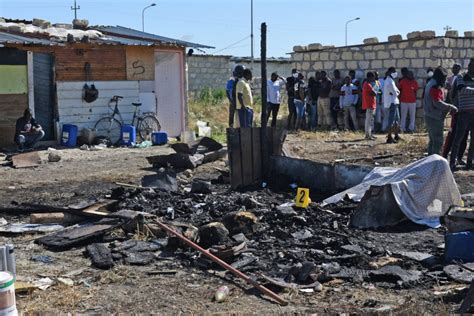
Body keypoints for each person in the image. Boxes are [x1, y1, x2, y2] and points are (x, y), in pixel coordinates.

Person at [423, 67, 458, 156]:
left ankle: (430, 160)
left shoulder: (431, 82)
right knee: (438, 141)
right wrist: (451, 107)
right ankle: (435, 162)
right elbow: (437, 103)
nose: (445, 79)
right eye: (444, 77)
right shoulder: (435, 86)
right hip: (435, 117)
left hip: (429, 115)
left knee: (433, 141)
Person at [450, 58, 474, 170]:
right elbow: (461, 90)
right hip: (464, 113)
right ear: (469, 66)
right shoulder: (461, 77)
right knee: (458, 139)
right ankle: (452, 162)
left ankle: (470, 161)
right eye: (471, 65)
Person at [443, 64, 468, 162]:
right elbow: (452, 95)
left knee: (464, 136)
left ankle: (459, 158)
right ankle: (445, 156)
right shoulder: (459, 79)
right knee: (453, 134)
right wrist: (454, 106)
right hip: (458, 111)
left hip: (467, 113)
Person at [383, 67, 401, 143]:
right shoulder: (389, 81)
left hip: (394, 102)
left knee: (397, 120)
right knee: (392, 121)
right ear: (390, 72)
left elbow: (397, 91)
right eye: (394, 71)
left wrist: (396, 92)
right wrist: (396, 92)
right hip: (392, 103)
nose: (395, 73)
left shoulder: (391, 81)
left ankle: (396, 136)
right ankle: (389, 137)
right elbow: (396, 92)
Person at [362, 72, 378, 140]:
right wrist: (377, 86)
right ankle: (367, 135)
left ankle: (370, 134)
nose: (374, 78)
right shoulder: (367, 85)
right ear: (370, 77)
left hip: (371, 104)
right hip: (369, 104)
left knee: (371, 120)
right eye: (373, 77)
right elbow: (374, 93)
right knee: (368, 121)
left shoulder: (367, 84)